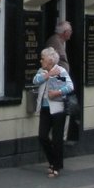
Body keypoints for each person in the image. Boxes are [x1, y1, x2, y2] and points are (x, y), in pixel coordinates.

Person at [33, 47, 74, 178]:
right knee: (42, 136)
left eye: (43, 58)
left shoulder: (61, 71)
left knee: (57, 139)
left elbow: (70, 86)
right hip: (44, 108)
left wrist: (57, 92)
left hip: (58, 108)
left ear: (50, 60)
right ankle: (52, 161)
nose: (41, 61)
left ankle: (56, 167)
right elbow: (35, 81)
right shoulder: (42, 71)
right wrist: (48, 74)